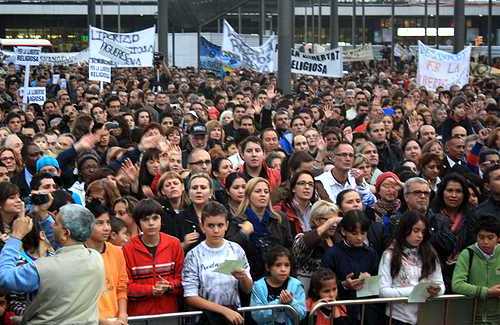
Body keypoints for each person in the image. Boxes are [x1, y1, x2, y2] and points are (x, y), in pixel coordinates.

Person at [0, 204, 105, 324]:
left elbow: (4, 278)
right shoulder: (96, 258)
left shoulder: (44, 267)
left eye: (56, 223)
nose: (51, 225)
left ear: (65, 233)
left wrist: (16, 236)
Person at [182, 201, 252, 325]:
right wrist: (224, 311)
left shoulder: (235, 249)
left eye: (220, 225)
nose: (216, 230)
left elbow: (248, 289)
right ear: (202, 226)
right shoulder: (193, 255)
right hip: (205, 318)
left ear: (227, 225)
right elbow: (190, 296)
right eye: (211, 225)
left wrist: (243, 277)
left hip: (234, 315)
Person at [378, 211, 445, 325]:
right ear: (405, 229)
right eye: (415, 230)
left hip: (425, 316)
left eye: (423, 232)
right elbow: (382, 291)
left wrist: (437, 290)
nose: (420, 236)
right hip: (398, 317)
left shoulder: (430, 254)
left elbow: (440, 285)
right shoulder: (389, 254)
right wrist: (416, 290)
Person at [123, 198, 184, 316]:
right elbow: (125, 286)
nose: (151, 223)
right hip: (139, 314)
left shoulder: (174, 244)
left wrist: (170, 285)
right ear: (138, 223)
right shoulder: (127, 249)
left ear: (161, 220)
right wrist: (151, 289)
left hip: (169, 313)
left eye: (155, 218)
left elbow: (183, 279)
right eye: (145, 219)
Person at [321, 210, 383, 325]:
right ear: (343, 231)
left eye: (363, 233)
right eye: (354, 234)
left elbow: (378, 281)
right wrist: (344, 285)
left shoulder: (371, 253)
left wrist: (369, 280)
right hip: (341, 310)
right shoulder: (332, 254)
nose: (360, 238)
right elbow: (322, 284)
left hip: (367, 311)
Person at [234, 177, 292, 280]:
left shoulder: (279, 219)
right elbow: (229, 253)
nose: (263, 194)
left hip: (278, 278)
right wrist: (243, 233)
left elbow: (289, 250)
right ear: (248, 196)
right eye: (258, 191)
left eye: (266, 191)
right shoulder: (238, 221)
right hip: (250, 279)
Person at [85, 201, 129, 325]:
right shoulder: (79, 254)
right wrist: (102, 322)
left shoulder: (117, 252)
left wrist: (122, 314)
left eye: (108, 222)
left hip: (116, 319)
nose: (106, 228)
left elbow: (122, 287)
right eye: (99, 223)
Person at [452, 216, 500, 325]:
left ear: (498, 238)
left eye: (490, 237)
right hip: (472, 318)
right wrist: (487, 292)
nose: (485, 241)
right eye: (481, 237)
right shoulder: (467, 254)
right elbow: (457, 284)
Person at [292, 200, 342, 293]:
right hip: (307, 292)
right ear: (316, 220)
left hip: (332, 292)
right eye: (328, 220)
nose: (334, 225)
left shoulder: (338, 241)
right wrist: (327, 225)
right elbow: (301, 246)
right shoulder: (303, 237)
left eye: (336, 220)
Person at [250, 246, 306, 325]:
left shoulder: (296, 285)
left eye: (287, 265)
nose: (283, 269)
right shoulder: (258, 286)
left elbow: (302, 314)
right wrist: (278, 303)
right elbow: (257, 316)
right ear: (268, 267)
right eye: (278, 265)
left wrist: (291, 302)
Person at [274, 171, 316, 238]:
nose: (307, 187)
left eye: (311, 184)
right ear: (293, 188)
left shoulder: (317, 209)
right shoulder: (281, 209)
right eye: (302, 183)